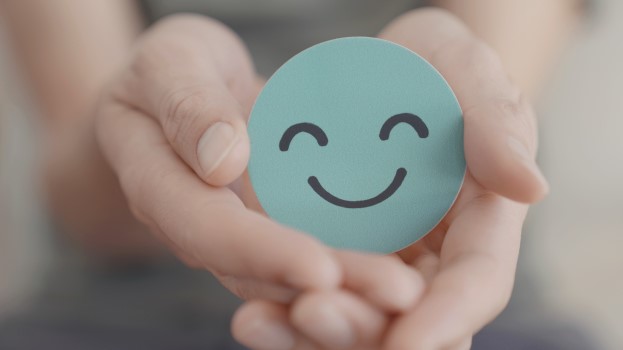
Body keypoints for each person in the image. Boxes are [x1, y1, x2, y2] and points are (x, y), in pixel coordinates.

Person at [0, 1, 583, 349]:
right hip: (105, 322)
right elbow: (80, 194)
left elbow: (485, 101)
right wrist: (142, 120)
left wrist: (478, 100)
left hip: (470, 306)